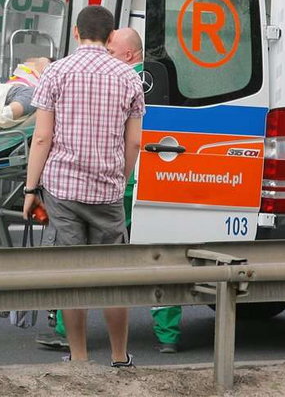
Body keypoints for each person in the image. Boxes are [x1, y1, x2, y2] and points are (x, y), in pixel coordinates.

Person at [23, 5, 144, 367]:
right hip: (107, 192)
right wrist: (118, 177)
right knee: (112, 277)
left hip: (63, 190)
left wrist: (31, 190)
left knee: (71, 275)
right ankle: (120, 357)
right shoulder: (128, 78)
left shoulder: (55, 73)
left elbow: (42, 137)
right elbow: (135, 143)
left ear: (76, 33)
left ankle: (78, 358)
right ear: (110, 38)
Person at [108, 28, 183, 355]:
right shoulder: (166, 79)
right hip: (157, 179)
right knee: (160, 256)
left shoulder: (115, 82)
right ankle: (168, 335)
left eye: (112, 52)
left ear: (128, 55)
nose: (107, 57)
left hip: (119, 181)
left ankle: (67, 328)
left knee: (89, 252)